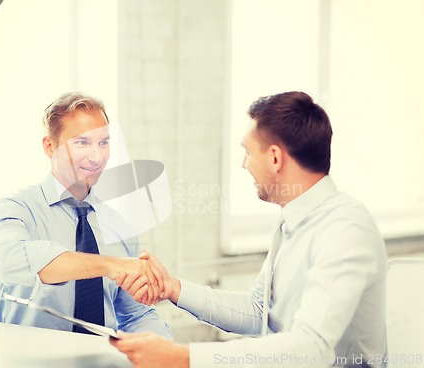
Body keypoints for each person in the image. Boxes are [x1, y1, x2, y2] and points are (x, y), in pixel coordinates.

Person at [111, 91, 388, 367]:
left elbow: (311, 348)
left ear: (275, 158)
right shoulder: (290, 221)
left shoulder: (344, 229)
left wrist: (183, 358)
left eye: (247, 152)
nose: (244, 164)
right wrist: (173, 288)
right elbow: (259, 312)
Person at [0, 92, 171, 338]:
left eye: (103, 143)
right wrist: (109, 265)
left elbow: (135, 314)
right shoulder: (16, 209)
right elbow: (8, 261)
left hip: (103, 360)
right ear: (50, 147)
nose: (96, 157)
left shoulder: (118, 225)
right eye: (82, 143)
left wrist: (164, 347)